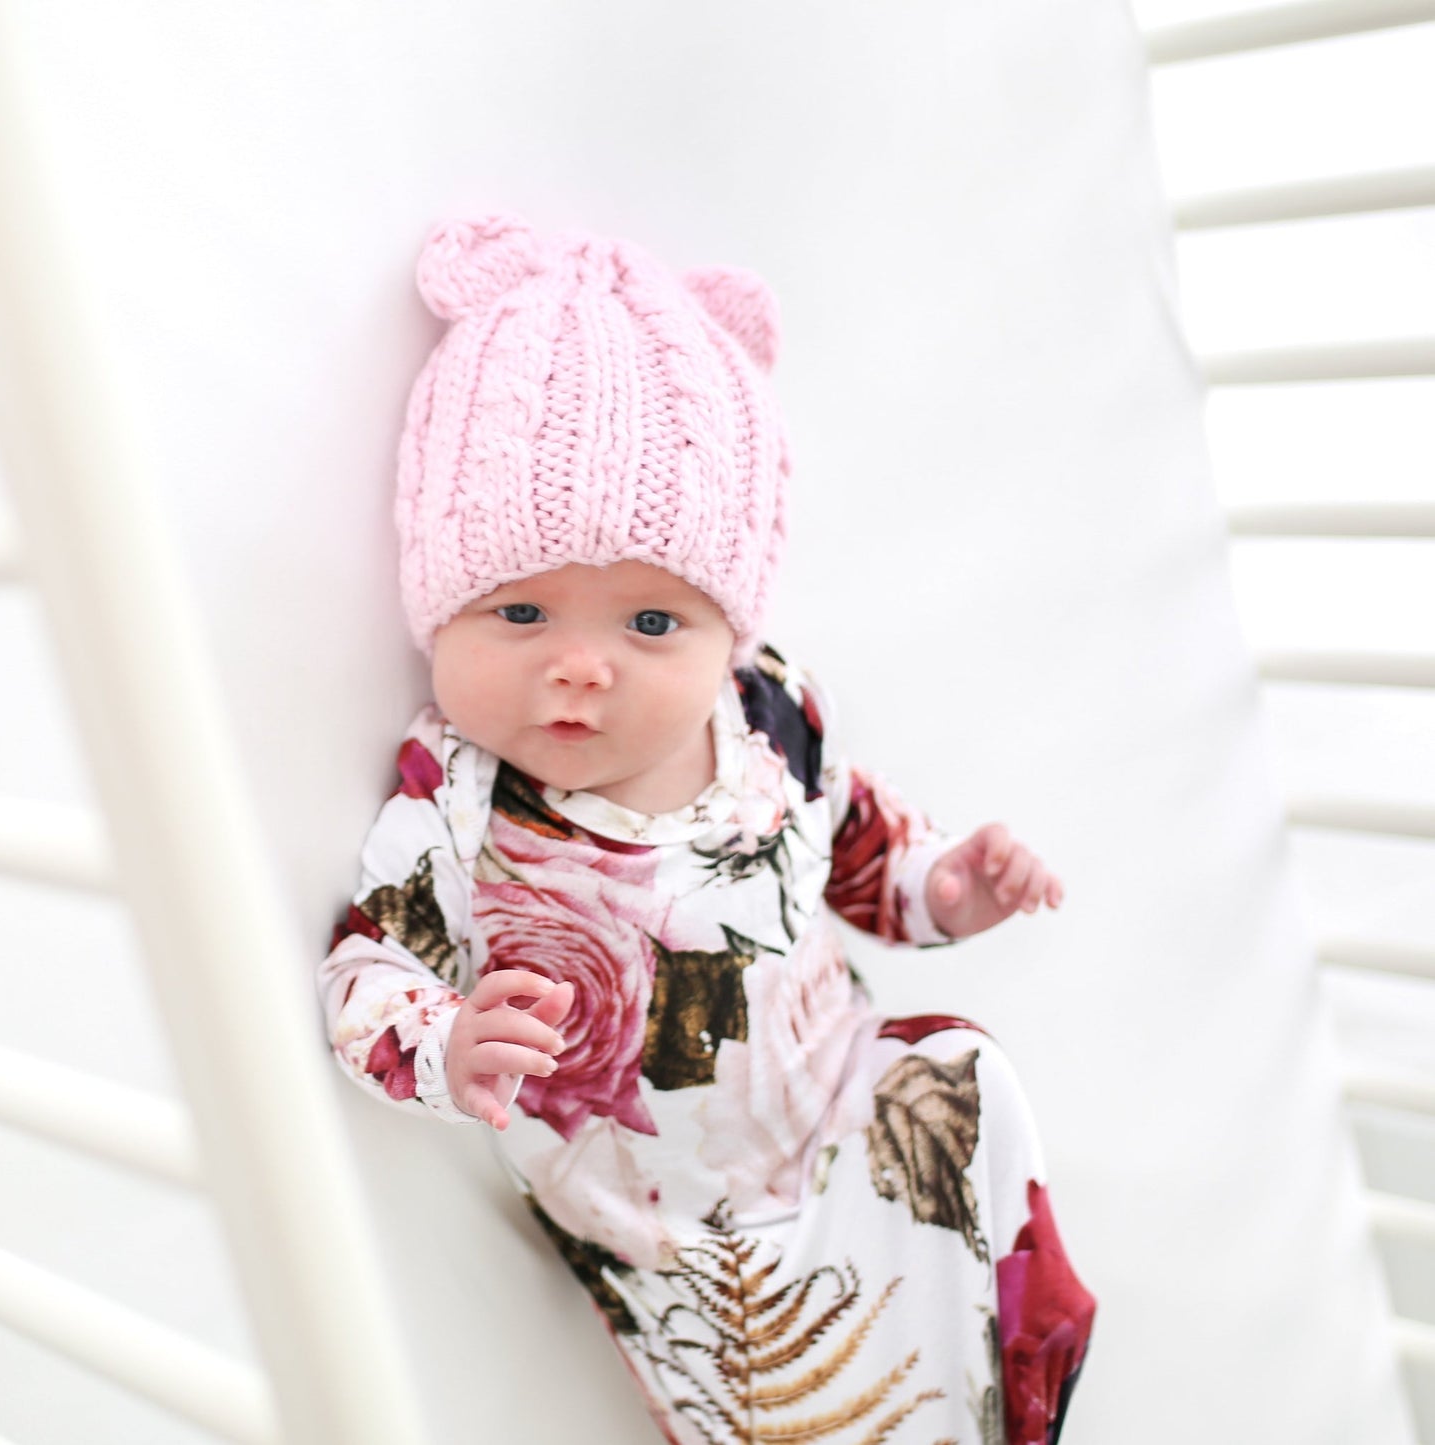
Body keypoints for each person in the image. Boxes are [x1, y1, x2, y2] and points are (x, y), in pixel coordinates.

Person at [318, 212, 1095, 1445]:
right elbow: (366, 966)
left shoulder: (769, 708)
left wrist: (947, 886)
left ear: (728, 630)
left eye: (649, 624)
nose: (581, 668)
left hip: (843, 1108)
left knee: (964, 1077)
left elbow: (857, 848)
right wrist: (444, 1036)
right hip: (680, 1232)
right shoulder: (459, 788)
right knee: (797, 1408)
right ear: (439, 607)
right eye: (519, 612)